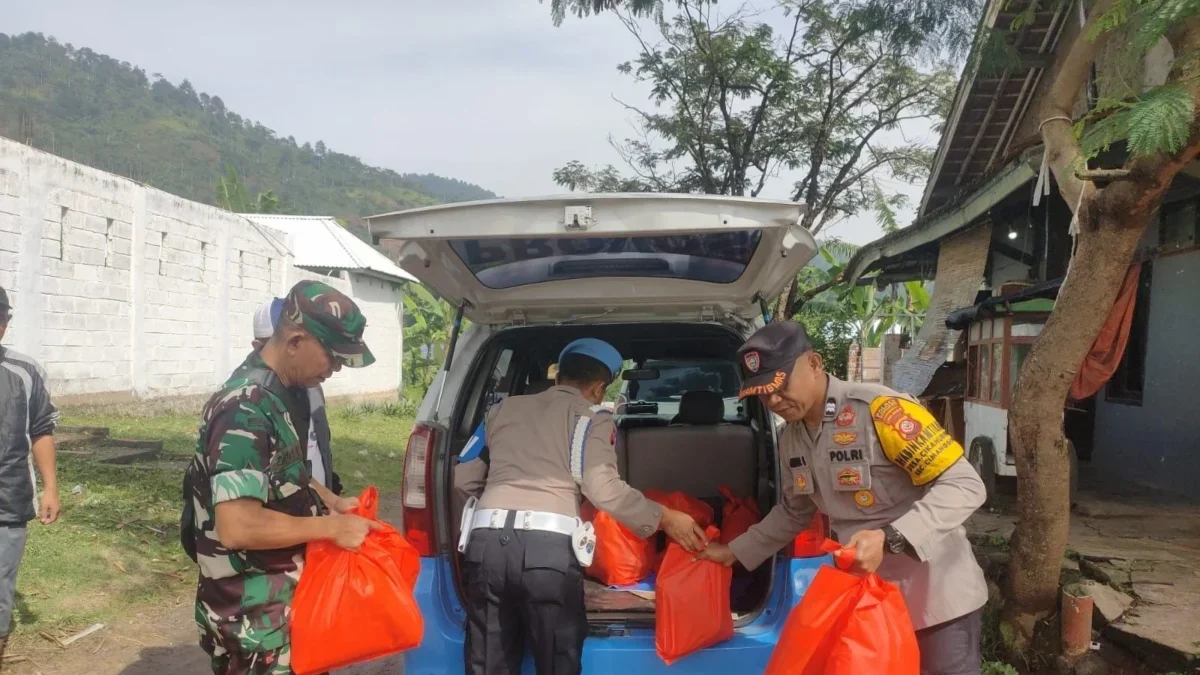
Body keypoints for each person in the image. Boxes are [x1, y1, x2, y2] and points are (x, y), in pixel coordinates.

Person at [697, 321, 988, 675]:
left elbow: (965, 484)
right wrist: (733, 552)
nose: (772, 400)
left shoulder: (881, 411)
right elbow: (794, 511)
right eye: (762, 393)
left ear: (815, 364)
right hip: (867, 606)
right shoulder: (792, 437)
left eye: (780, 386)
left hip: (934, 604)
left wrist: (891, 537)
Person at [454, 338, 706, 675]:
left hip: (485, 546)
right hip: (547, 554)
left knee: (487, 661)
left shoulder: (500, 411)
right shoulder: (593, 418)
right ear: (600, 388)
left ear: (559, 378)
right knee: (558, 659)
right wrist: (665, 518)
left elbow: (462, 480)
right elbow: (602, 488)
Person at [185, 280, 381, 675]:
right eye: (332, 356)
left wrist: (330, 499)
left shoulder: (276, 395)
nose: (336, 369)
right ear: (295, 340)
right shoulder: (245, 408)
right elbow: (238, 526)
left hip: (280, 609)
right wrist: (330, 528)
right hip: (255, 618)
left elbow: (280, 473)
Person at [0, 286, 60, 666]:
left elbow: (41, 430)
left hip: (8, 499)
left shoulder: (24, 371)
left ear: (5, 323)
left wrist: (51, 488)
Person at [251, 298, 340, 495]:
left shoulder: (311, 387)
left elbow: (293, 466)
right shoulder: (247, 404)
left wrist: (330, 500)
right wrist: (337, 528)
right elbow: (240, 521)